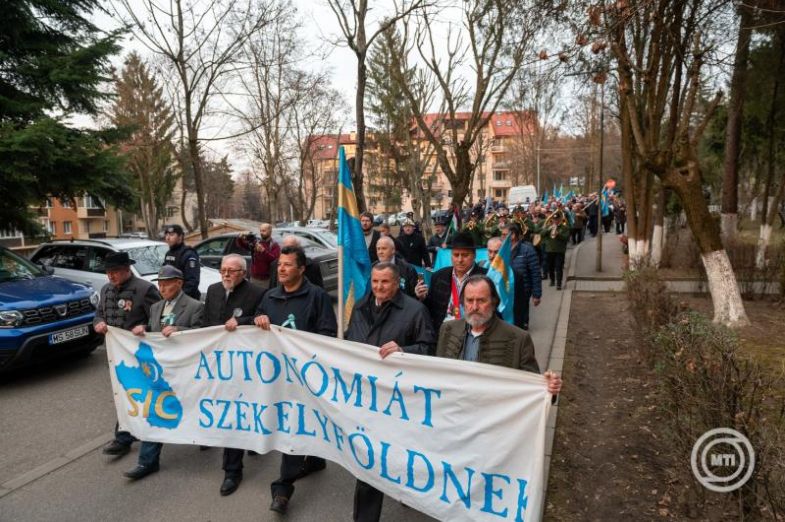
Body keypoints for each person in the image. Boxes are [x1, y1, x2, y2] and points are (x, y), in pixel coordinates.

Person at [345, 262, 436, 522]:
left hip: (400, 401)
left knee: (400, 458)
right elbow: (350, 343)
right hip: (367, 399)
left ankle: (407, 492)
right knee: (369, 463)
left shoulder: (415, 311)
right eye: (374, 281)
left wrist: (405, 351)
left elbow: (430, 349)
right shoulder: (360, 308)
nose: (378, 287)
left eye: (384, 282)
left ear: (396, 283)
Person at [252, 245, 337, 515]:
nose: (282, 269)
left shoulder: (317, 296)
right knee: (293, 425)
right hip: (276, 378)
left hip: (304, 378)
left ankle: (282, 488)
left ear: (301, 269)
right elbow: (254, 322)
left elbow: (326, 334)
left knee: (294, 427)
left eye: (288, 265)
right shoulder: (270, 296)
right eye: (280, 265)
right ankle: (314, 460)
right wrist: (257, 318)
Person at [124, 266, 204, 480]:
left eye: (167, 283)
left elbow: (203, 336)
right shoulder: (156, 307)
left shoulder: (195, 306)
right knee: (155, 411)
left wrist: (181, 331)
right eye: (160, 284)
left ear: (179, 282)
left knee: (194, 408)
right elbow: (153, 333)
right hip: (161, 373)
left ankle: (207, 436)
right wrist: (143, 330)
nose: (162, 287)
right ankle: (147, 462)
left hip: (185, 372)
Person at [203, 253, 265, 496]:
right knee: (223, 412)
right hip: (216, 364)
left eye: (231, 270)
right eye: (223, 270)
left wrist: (244, 321)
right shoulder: (213, 290)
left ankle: (232, 470)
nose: (226, 274)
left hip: (244, 367)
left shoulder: (257, 293)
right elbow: (206, 324)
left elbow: (263, 322)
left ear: (244, 273)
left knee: (238, 415)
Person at [436, 275, 562, 392]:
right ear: (462, 302)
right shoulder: (447, 330)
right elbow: (436, 374)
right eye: (469, 300)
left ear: (494, 302)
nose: (474, 307)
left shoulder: (519, 339)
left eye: (481, 301)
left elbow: (532, 389)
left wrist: (548, 387)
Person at [94, 252, 161, 458]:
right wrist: (98, 323)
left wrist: (145, 326)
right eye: (108, 272)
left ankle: (134, 437)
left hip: (142, 353)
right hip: (117, 353)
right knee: (123, 394)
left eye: (114, 272)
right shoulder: (105, 290)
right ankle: (125, 436)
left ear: (126, 270)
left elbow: (160, 317)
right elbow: (99, 313)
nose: (111, 276)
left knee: (143, 394)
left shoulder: (145, 289)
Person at [416, 231, 487, 336]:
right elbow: (430, 310)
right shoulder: (439, 276)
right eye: (456, 255)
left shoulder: (485, 278)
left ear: (474, 255)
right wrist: (422, 298)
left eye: (465, 255)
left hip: (473, 333)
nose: (460, 260)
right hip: (443, 334)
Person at [508, 224, 542, 330]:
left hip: (523, 290)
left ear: (513, 235)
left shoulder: (527, 250)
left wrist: (536, 294)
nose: (501, 237)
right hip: (508, 289)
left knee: (521, 319)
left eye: (504, 234)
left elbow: (535, 273)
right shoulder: (502, 249)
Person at [162, 224, 201, 300]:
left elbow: (192, 282)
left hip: (186, 300)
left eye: (171, 235)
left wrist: (178, 299)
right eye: (166, 235)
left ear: (180, 237)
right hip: (171, 297)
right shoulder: (169, 253)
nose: (168, 238)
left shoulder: (189, 254)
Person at [235, 223, 280, 288]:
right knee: (253, 297)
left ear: (270, 231)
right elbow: (243, 246)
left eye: (264, 231)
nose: (261, 233)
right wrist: (240, 238)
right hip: (253, 277)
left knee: (264, 297)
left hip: (266, 279)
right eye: (260, 230)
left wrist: (263, 251)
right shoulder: (257, 242)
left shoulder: (274, 245)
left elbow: (274, 260)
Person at [542, 211, 570, 290]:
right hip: (549, 250)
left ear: (560, 219)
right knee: (550, 267)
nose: (555, 221)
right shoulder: (549, 226)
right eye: (554, 219)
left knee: (558, 267)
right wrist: (549, 229)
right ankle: (552, 280)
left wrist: (559, 234)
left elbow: (566, 238)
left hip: (559, 250)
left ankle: (559, 284)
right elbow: (542, 234)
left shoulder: (564, 227)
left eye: (557, 219)